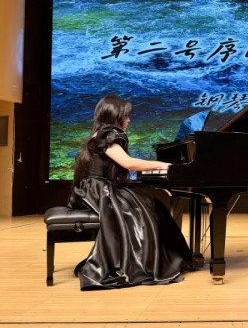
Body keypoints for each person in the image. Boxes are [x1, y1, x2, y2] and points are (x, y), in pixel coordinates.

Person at [67, 94, 192, 290]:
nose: (129, 120)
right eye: (126, 116)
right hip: (98, 190)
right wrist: (164, 165)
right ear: (114, 116)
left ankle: (163, 257)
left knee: (151, 205)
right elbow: (129, 163)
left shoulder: (100, 134)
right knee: (143, 210)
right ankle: (146, 262)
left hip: (92, 188)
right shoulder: (107, 135)